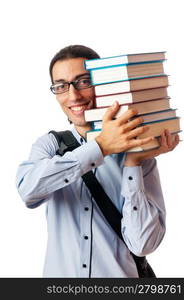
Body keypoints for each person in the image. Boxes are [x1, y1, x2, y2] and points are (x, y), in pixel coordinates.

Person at [16, 45, 179, 278]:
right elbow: (28, 191)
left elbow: (143, 245)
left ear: (102, 84)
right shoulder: (49, 146)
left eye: (83, 81)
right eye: (61, 86)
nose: (73, 96)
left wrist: (132, 162)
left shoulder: (139, 153)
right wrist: (100, 147)